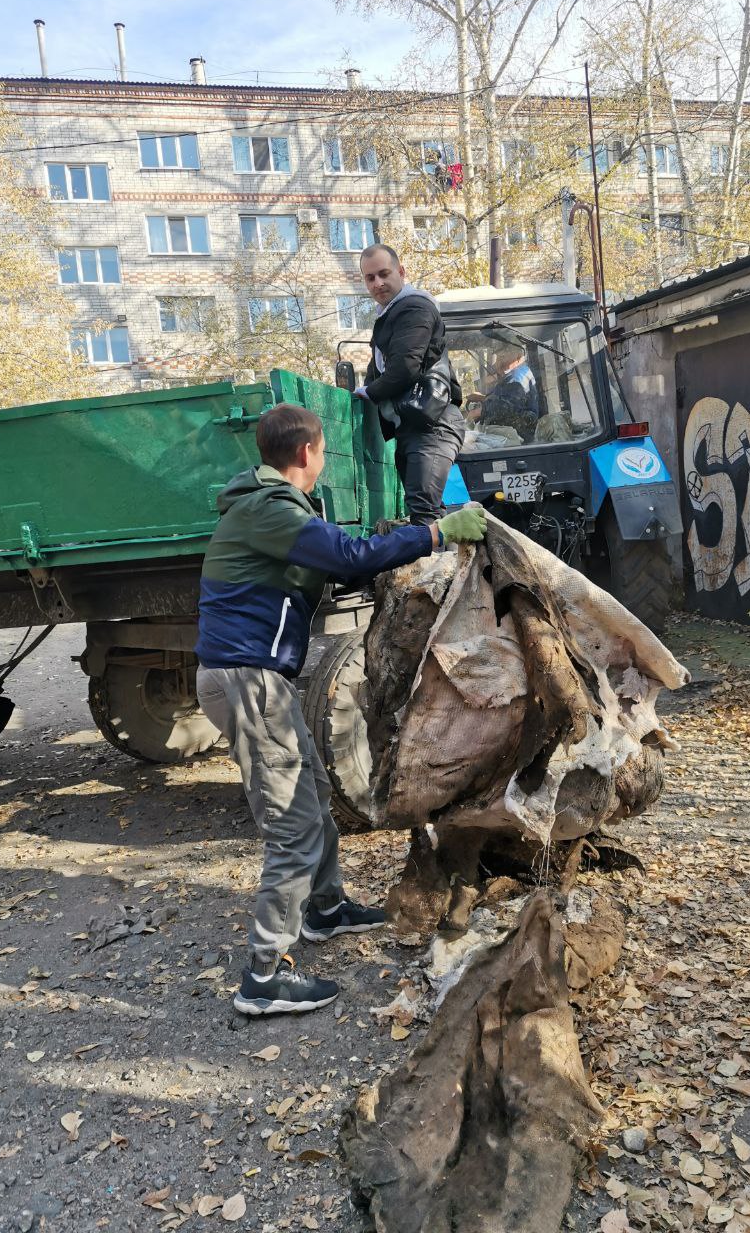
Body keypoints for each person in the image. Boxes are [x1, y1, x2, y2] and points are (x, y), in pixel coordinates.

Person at [195, 403, 487, 1017]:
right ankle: (263, 977)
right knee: (293, 826)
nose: (324, 460)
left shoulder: (268, 512)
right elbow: (351, 557)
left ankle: (325, 910)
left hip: (261, 680)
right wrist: (437, 532)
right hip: (247, 683)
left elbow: (335, 567)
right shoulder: (267, 511)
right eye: (324, 450)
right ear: (307, 454)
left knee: (318, 788)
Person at [355, 244, 466, 525]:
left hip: (434, 426)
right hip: (418, 425)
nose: (378, 283)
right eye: (370, 278)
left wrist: (367, 393)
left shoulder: (414, 307)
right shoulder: (391, 313)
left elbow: (405, 368)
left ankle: (440, 570)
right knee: (429, 513)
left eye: (384, 273)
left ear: (401, 272)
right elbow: (379, 369)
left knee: (423, 514)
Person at [474, 345, 540, 441]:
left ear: (518, 357)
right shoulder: (512, 376)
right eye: (498, 358)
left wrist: (479, 412)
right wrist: (483, 398)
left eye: (502, 357)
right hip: (514, 433)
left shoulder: (516, 378)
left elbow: (506, 408)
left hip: (518, 437)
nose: (497, 363)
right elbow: (502, 397)